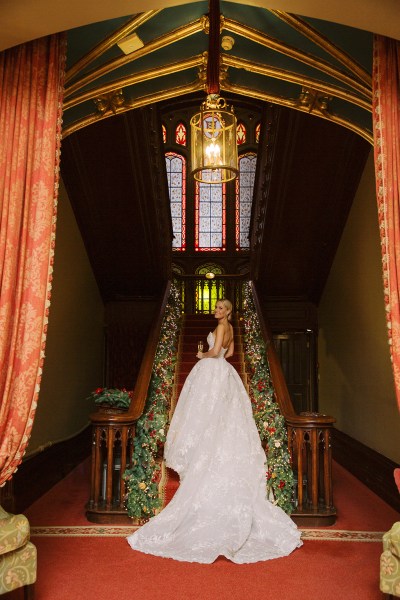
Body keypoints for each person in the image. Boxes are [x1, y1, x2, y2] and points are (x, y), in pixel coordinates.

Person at [127, 299, 302, 563]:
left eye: (221, 308)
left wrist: (202, 356)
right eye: (217, 308)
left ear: (228, 312)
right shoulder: (231, 328)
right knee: (219, 415)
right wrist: (215, 355)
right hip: (225, 372)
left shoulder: (221, 327)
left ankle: (201, 452)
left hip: (211, 370)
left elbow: (217, 351)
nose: (216, 311)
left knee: (205, 412)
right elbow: (230, 354)